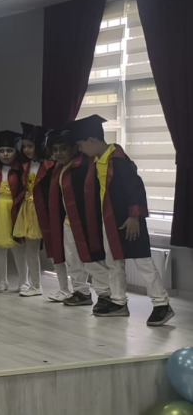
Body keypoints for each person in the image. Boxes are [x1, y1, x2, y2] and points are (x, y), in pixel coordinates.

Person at [66, 115, 174, 326]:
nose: (81, 150)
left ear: (91, 141)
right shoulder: (97, 160)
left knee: (143, 262)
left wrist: (134, 216)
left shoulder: (118, 160)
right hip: (110, 221)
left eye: (81, 145)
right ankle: (118, 301)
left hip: (129, 222)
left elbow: (136, 188)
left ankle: (161, 303)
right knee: (113, 263)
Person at [44, 130, 96, 308]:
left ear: (74, 148)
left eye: (63, 149)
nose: (58, 153)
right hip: (68, 221)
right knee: (72, 259)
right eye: (55, 150)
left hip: (84, 221)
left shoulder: (83, 167)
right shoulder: (58, 169)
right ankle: (80, 292)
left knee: (90, 261)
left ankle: (105, 295)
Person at [14, 123, 53, 299]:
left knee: (53, 251)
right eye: (24, 146)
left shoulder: (49, 165)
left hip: (42, 210)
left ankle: (68, 287)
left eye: (30, 146)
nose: (27, 150)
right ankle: (35, 285)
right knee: (31, 249)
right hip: (27, 209)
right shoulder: (25, 165)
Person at [0, 131, 24, 293]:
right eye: (2, 151)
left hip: (15, 209)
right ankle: (2, 280)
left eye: (9, 150)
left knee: (19, 248)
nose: (5, 154)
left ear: (16, 151)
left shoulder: (21, 170)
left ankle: (24, 281)